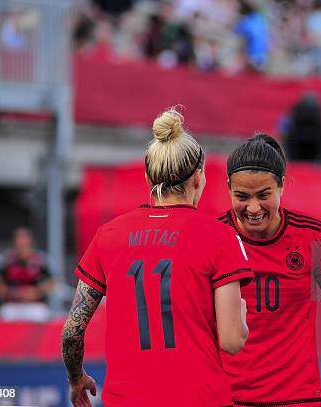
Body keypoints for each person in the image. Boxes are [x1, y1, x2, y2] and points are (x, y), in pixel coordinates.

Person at [61, 108, 253, 407]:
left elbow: (72, 331)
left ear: (148, 177)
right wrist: (239, 314)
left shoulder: (109, 235)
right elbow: (232, 341)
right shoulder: (220, 237)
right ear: (199, 179)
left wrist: (76, 379)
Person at [217, 133, 321, 407]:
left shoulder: (312, 235)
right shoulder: (213, 236)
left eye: (263, 195)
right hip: (228, 398)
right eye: (242, 196)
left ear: (281, 185)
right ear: (228, 188)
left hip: (298, 399)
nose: (253, 207)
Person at [0, 228, 54, 322]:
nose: (22, 248)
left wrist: (36, 292)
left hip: (34, 305)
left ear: (31, 244)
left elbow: (52, 283)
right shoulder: (8, 261)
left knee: (42, 314)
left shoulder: (39, 261)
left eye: (25, 245)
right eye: (20, 245)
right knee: (4, 313)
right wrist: (13, 293)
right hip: (13, 304)